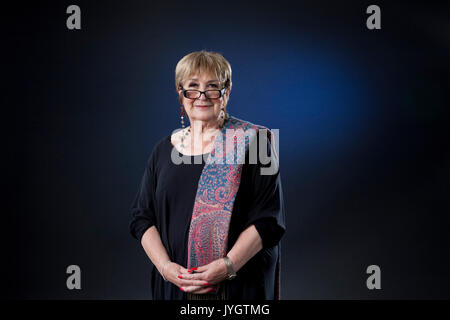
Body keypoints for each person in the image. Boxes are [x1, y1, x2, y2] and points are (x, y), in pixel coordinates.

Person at [129, 50, 286, 300]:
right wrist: (166, 268)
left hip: (236, 287)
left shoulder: (256, 144)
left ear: (226, 92)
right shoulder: (162, 150)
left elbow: (269, 221)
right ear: (180, 94)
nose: (202, 96)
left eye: (212, 87)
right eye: (192, 87)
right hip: (175, 288)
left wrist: (227, 267)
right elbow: (142, 218)